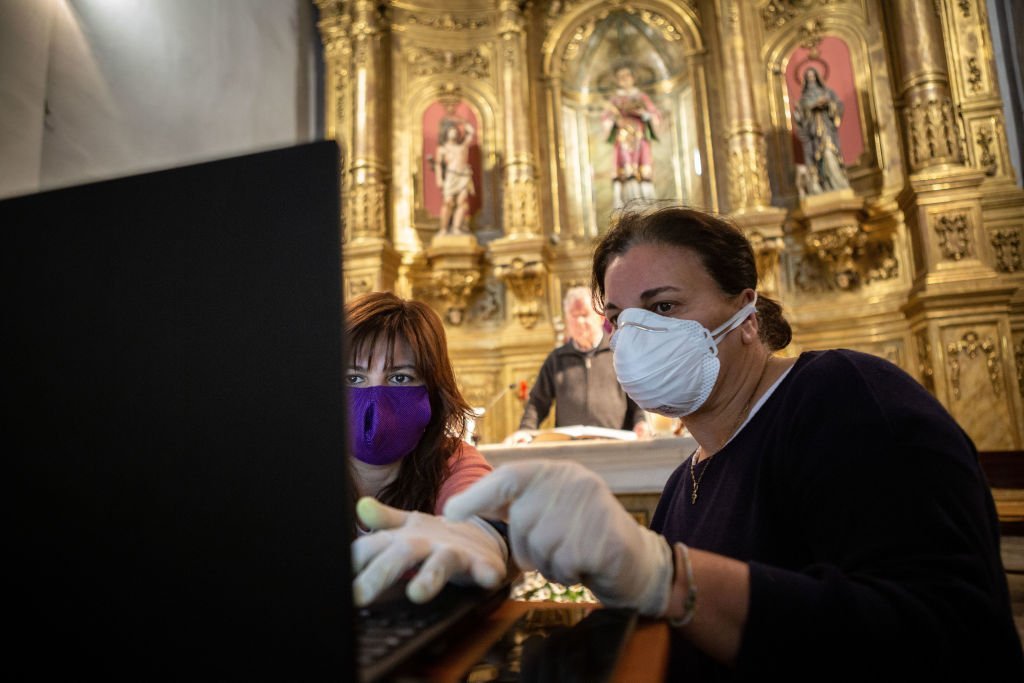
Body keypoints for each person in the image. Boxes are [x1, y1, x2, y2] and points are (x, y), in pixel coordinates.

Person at [354, 207, 1024, 680]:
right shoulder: (686, 480)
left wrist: (669, 576)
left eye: (665, 306)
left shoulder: (841, 395)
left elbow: (949, 635)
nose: (634, 334)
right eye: (619, 317)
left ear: (746, 313)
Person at [344, 291, 507, 606]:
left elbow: (481, 511)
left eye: (400, 377)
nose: (375, 401)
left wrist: (479, 538)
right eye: (354, 377)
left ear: (433, 393)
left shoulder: (452, 461)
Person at [507, 286, 650, 444]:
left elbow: (638, 397)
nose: (579, 322)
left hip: (616, 445)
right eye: (573, 316)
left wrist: (641, 422)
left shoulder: (619, 352)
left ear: (600, 317)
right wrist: (526, 430)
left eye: (584, 315)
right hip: (570, 447)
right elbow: (537, 403)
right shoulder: (557, 359)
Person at [601, 64, 661, 209]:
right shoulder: (614, 100)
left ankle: (645, 203)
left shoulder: (641, 97)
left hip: (639, 138)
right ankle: (625, 203)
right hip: (622, 139)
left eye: (627, 76)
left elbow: (655, 115)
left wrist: (643, 114)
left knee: (642, 168)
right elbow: (606, 119)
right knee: (625, 169)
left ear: (633, 78)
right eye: (621, 77)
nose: (624, 79)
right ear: (617, 80)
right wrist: (615, 120)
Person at [793, 66, 851, 195]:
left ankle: (838, 184)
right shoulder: (803, 100)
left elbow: (838, 106)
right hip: (813, 135)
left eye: (813, 76)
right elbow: (801, 120)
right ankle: (822, 184)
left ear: (817, 77)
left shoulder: (827, 93)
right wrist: (805, 111)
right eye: (808, 78)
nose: (811, 79)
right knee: (816, 159)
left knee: (829, 154)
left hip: (827, 130)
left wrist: (829, 105)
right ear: (806, 81)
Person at [431, 114, 476, 236]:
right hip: (451, 177)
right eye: (451, 131)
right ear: (446, 133)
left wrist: (460, 121)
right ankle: (444, 228)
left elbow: (471, 131)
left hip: (463, 176)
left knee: (462, 202)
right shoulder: (442, 148)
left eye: (455, 131)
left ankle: (456, 228)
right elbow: (438, 165)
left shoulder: (462, 146)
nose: (454, 133)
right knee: (448, 202)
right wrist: (439, 179)